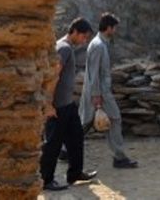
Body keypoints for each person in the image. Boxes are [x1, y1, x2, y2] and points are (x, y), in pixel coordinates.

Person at [40, 18, 98, 191]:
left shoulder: (66, 48)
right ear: (74, 32)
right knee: (53, 144)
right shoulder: (64, 48)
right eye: (83, 37)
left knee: (76, 137)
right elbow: (54, 76)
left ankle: (75, 173)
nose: (84, 41)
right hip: (58, 107)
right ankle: (46, 179)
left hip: (68, 105)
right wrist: (48, 104)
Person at [80, 12, 139, 168]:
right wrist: (97, 96)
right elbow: (94, 73)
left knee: (85, 123)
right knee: (114, 119)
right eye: (114, 28)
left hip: (98, 93)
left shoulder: (100, 44)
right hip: (100, 94)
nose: (115, 32)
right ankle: (119, 157)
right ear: (108, 28)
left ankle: (65, 149)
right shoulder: (98, 46)